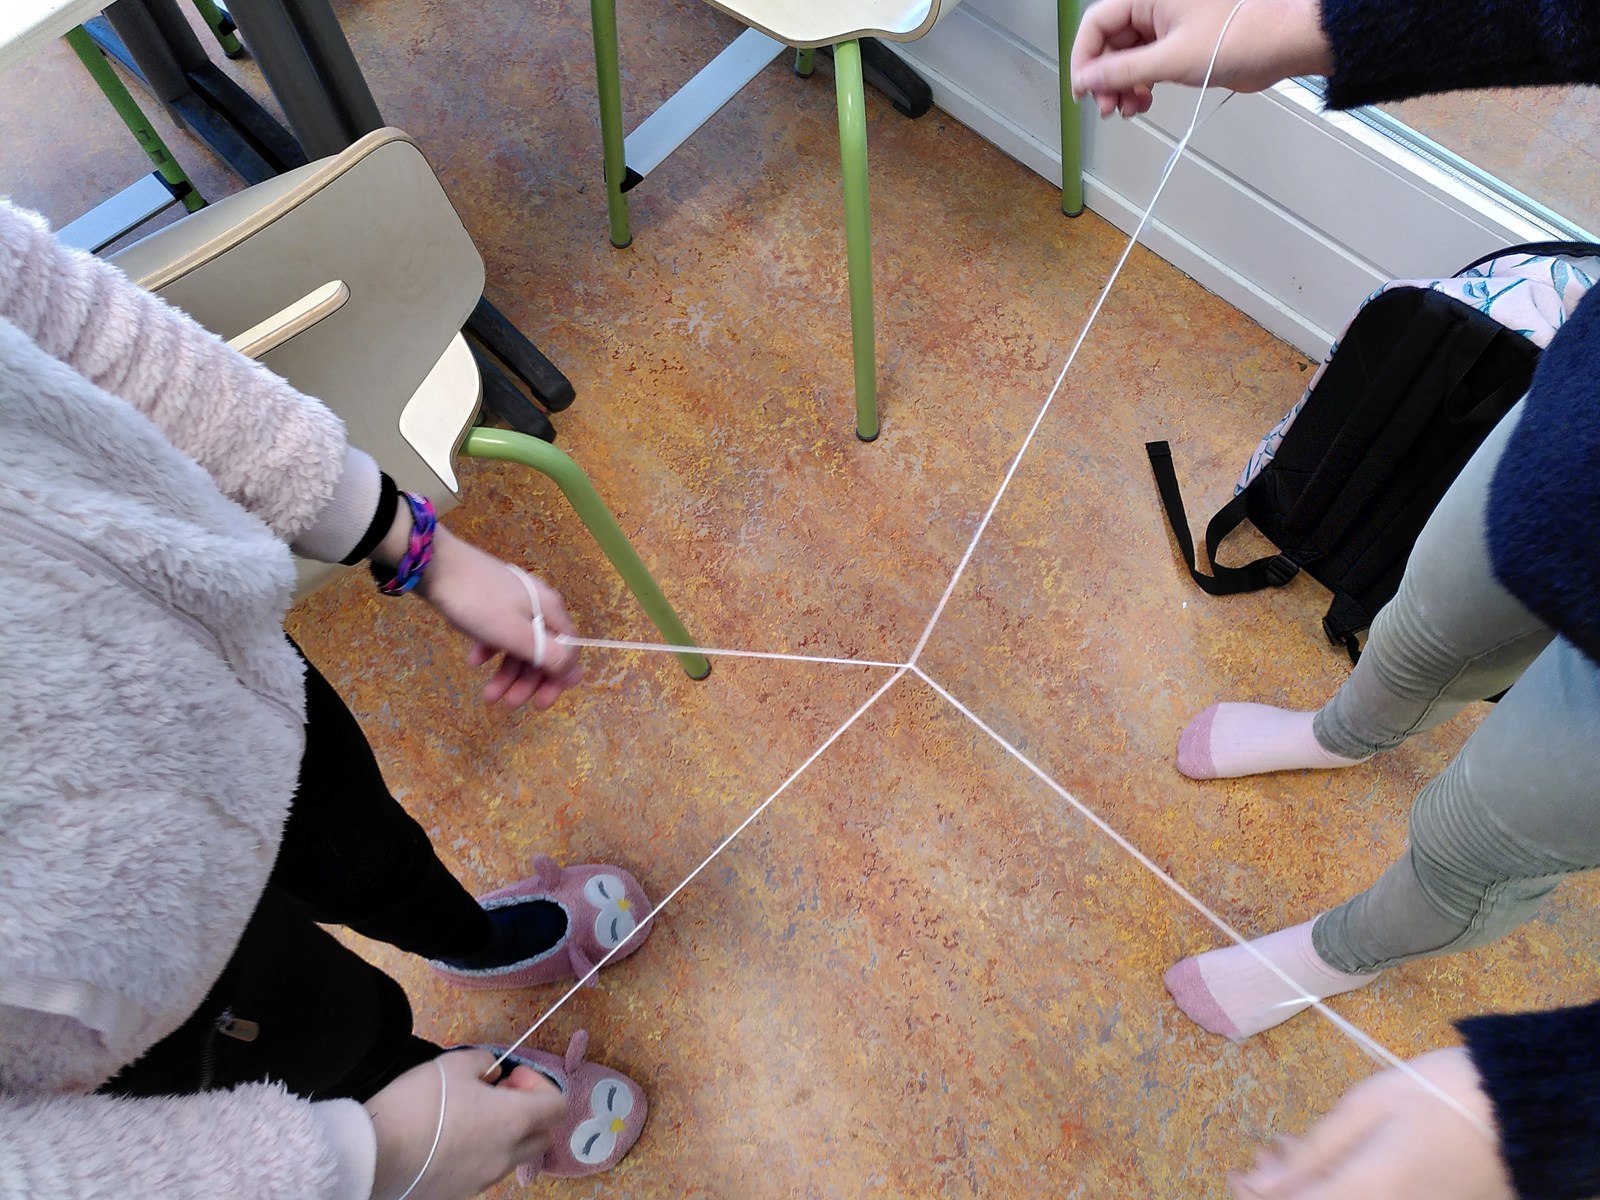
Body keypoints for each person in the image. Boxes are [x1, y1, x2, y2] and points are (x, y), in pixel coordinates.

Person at [0, 197, 651, 1198]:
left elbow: (80, 324)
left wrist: (416, 547)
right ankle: (439, 1103)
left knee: (372, 859)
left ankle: (478, 945)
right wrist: (369, 1160)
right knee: (326, 1048)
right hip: (94, 1002)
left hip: (227, 686)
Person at [1073, 0, 1600, 1196]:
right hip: (1575, 442)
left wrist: (1545, 1111)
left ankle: (1344, 952)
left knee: (1482, 832)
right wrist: (1310, 25)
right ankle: (1341, 733)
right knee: (1428, 614)